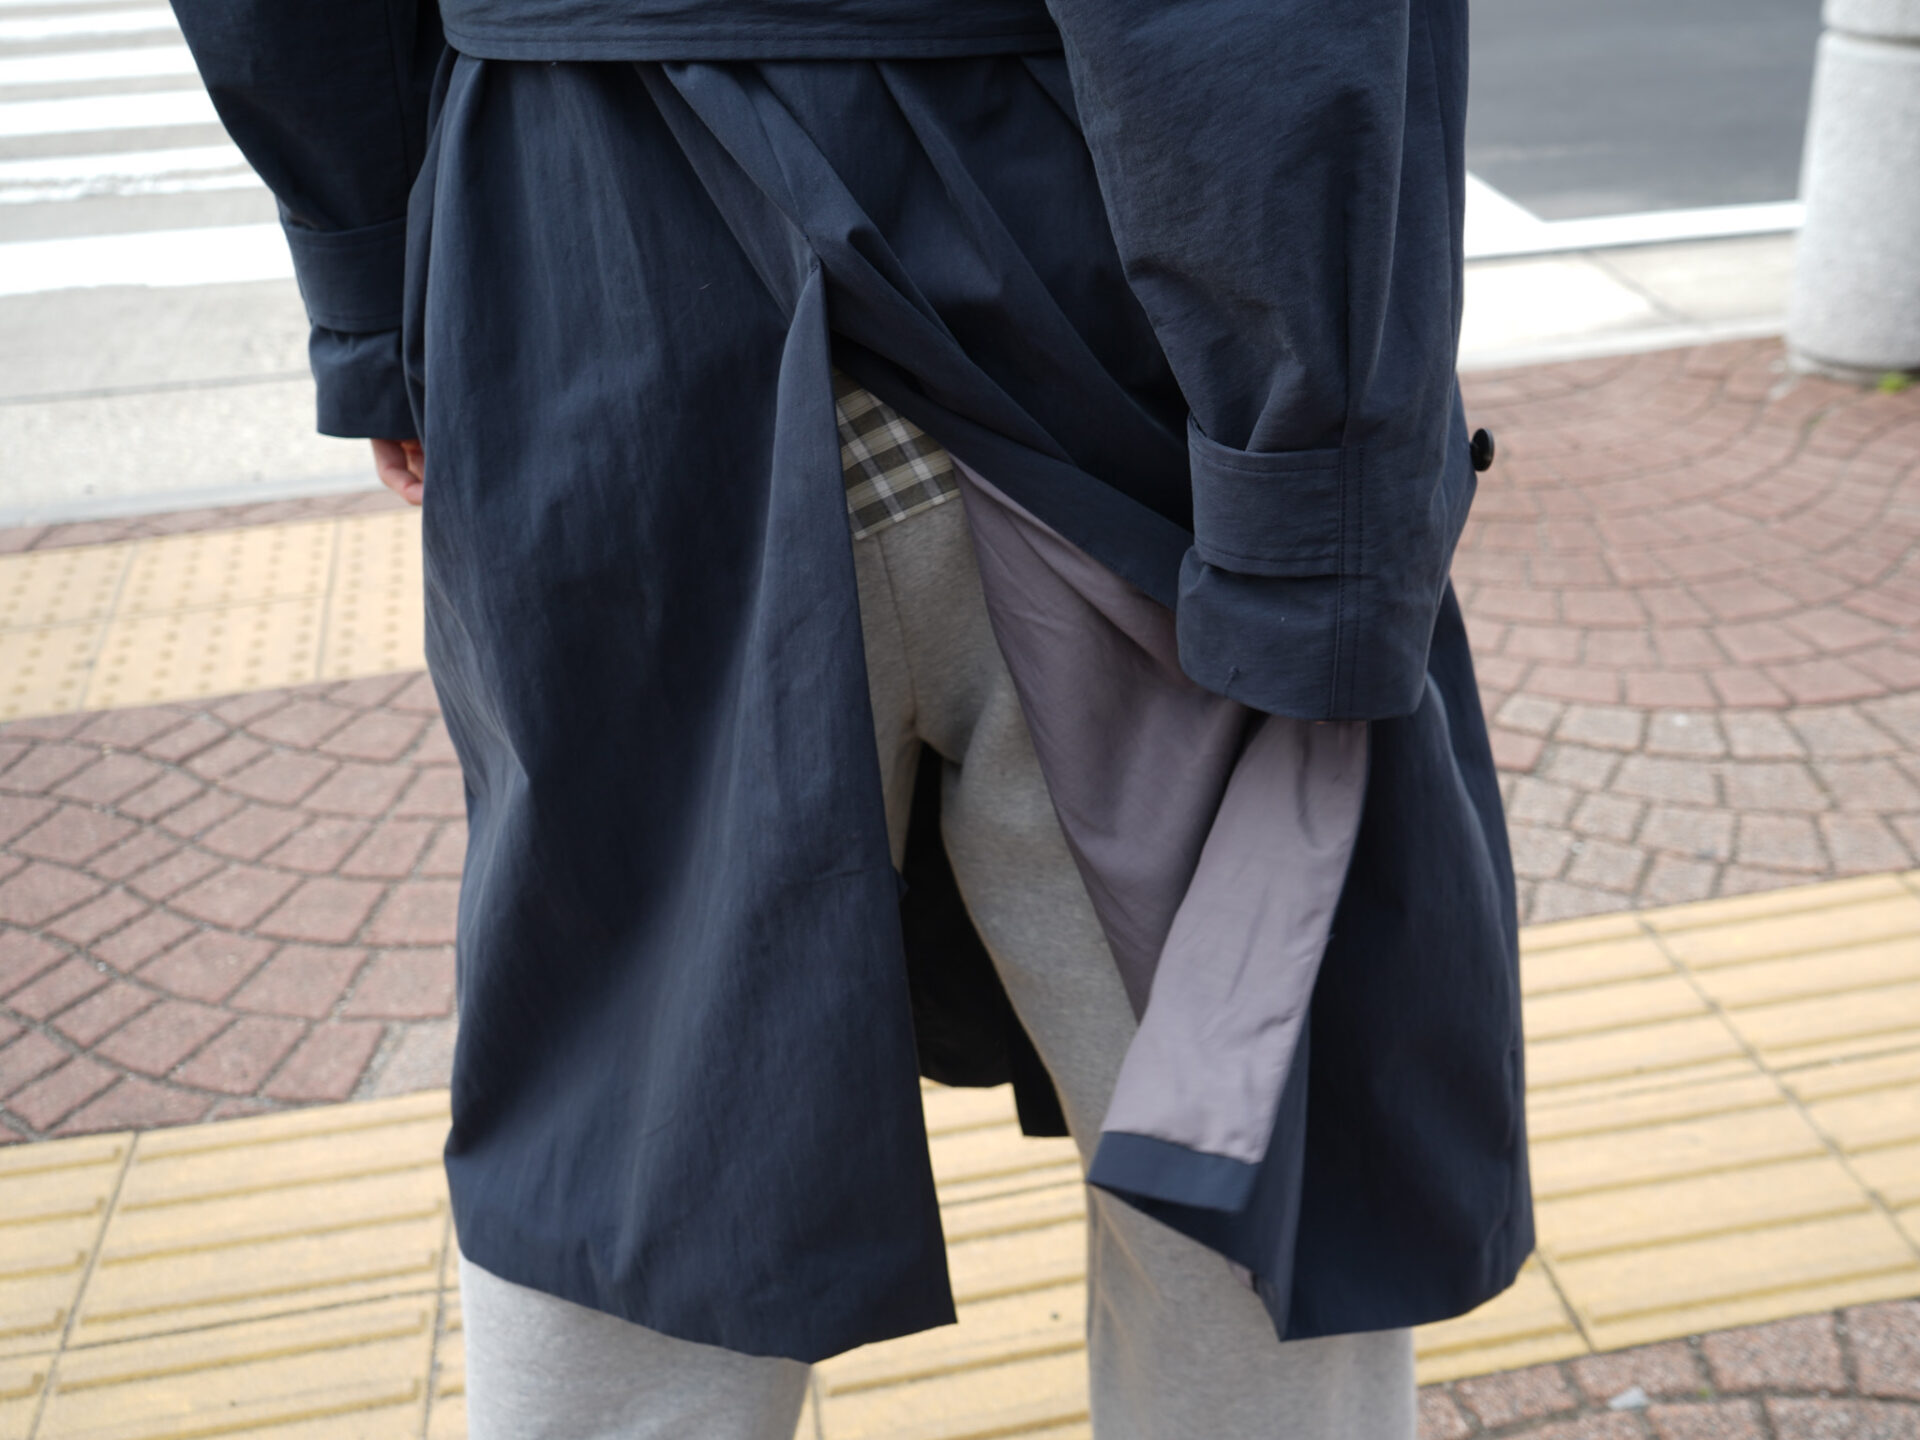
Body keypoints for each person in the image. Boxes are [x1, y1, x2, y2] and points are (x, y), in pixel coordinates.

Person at [168, 0, 1529, 1435]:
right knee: (1234, 1106)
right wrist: (1316, 471)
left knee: (628, 1120)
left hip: (577, 256)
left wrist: (375, 277)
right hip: (1062, 286)